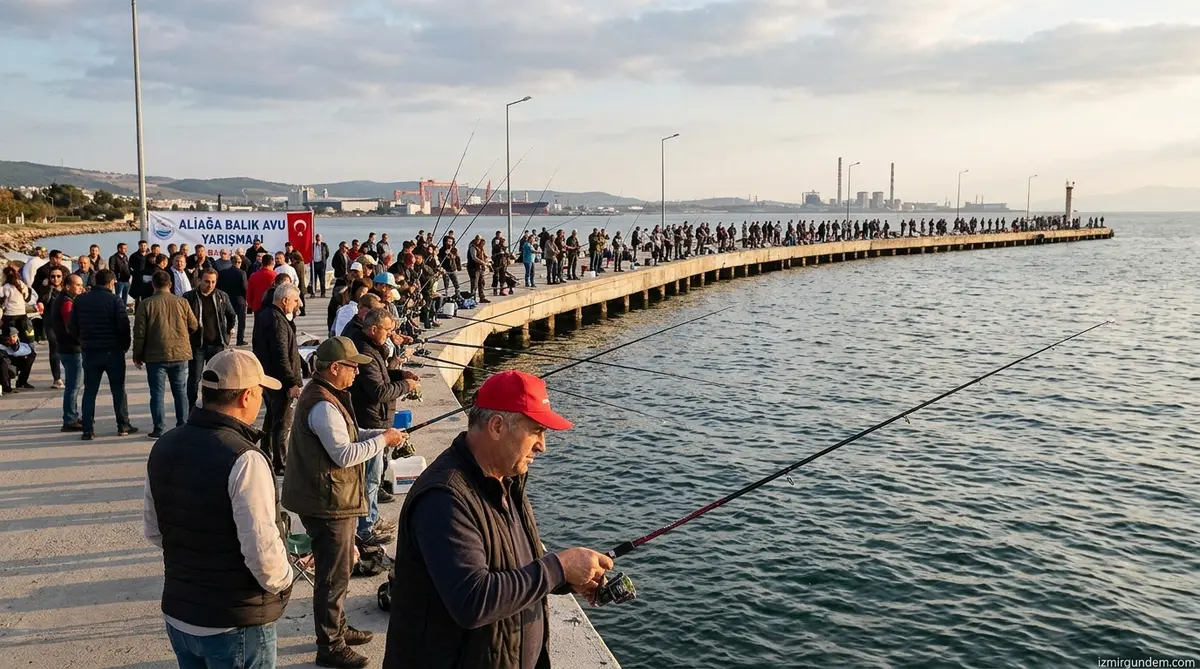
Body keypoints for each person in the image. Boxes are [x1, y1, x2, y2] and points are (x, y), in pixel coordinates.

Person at [383, 370, 613, 669]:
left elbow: (513, 561)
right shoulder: (444, 498)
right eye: (537, 431)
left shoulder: (507, 479)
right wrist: (559, 567)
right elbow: (473, 600)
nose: (543, 446)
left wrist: (568, 578)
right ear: (496, 426)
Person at [144, 348, 293, 669]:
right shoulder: (245, 458)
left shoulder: (164, 445)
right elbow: (262, 552)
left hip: (180, 613)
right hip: (233, 620)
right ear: (246, 396)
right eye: (260, 393)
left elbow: (155, 531)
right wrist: (285, 580)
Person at [282, 336, 409, 669]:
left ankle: (338, 629)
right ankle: (330, 645)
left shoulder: (327, 396)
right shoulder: (323, 404)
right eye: (353, 367)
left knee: (337, 571)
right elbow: (343, 454)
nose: (356, 373)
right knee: (332, 575)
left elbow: (348, 436)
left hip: (329, 498)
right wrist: (383, 439)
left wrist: (381, 433)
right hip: (326, 502)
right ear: (335, 368)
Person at [347, 308, 420, 546]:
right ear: (374, 328)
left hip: (377, 419)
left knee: (375, 477)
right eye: (387, 330)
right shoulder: (365, 351)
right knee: (370, 479)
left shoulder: (372, 347)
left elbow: (382, 376)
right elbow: (378, 391)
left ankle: (372, 518)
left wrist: (400, 373)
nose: (390, 335)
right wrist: (406, 385)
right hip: (370, 422)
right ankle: (365, 528)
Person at [68, 269, 137, 440]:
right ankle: (123, 425)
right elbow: (123, 326)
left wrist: (82, 340)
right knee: (118, 390)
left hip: (90, 351)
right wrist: (125, 346)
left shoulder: (80, 300)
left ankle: (87, 429)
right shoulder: (115, 300)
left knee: (90, 391)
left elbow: (72, 325)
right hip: (113, 351)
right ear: (112, 282)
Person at [133, 270, 197, 439]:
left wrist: (137, 354)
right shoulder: (182, 302)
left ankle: (159, 428)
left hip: (155, 355)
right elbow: (194, 324)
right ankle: (183, 425)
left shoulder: (146, 304)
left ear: (153, 285)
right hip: (180, 353)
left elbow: (139, 333)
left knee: (157, 393)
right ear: (170, 285)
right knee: (180, 392)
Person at [252, 284, 302, 475]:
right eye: (295, 300)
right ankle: (280, 463)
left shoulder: (267, 315)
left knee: (272, 418)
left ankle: (267, 454)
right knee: (282, 422)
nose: (298, 304)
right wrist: (291, 382)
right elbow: (281, 354)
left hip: (270, 378)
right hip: (279, 381)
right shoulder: (276, 320)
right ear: (285, 300)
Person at [184, 268, 237, 411]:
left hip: (217, 344)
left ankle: (214, 407)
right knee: (194, 378)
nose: (210, 284)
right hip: (197, 345)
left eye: (213, 281)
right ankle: (192, 407)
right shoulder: (189, 297)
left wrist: (227, 333)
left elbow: (231, 315)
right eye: (207, 281)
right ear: (199, 280)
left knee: (216, 378)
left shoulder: (221, 296)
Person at [49, 274, 85, 430]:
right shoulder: (66, 303)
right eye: (77, 285)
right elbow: (71, 327)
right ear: (68, 286)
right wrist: (83, 341)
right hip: (71, 349)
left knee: (74, 385)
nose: (81, 288)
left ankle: (73, 416)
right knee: (73, 386)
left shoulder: (64, 300)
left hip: (67, 347)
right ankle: (69, 419)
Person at [38, 265, 65, 388]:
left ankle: (71, 375)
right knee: (54, 348)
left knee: (68, 349)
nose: (56, 279)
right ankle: (57, 378)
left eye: (58, 276)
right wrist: (49, 288)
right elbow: (44, 300)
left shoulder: (66, 289)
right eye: (53, 276)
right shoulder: (45, 288)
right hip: (50, 322)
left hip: (65, 323)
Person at [218, 254, 250, 346]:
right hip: (239, 300)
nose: (238, 264)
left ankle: (225, 338)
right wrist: (246, 299)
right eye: (239, 262)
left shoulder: (223, 273)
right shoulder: (242, 273)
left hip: (226, 299)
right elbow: (245, 288)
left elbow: (219, 287)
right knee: (241, 321)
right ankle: (240, 340)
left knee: (227, 320)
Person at [0, 266, 32, 344]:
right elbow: (27, 298)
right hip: (22, 315)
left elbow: (2, 301)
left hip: (9, 316)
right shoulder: (21, 284)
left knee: (8, 340)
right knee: (24, 339)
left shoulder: (5, 287)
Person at [0, 326, 36, 393]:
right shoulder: (2, 346)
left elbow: (22, 351)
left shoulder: (21, 344)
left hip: (15, 359)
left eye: (14, 336)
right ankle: (6, 386)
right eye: (9, 337)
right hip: (5, 363)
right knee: (5, 364)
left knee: (31, 356)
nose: (12, 339)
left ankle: (22, 382)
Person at [313, 234, 330, 298]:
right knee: (314, 279)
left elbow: (327, 254)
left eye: (319, 237)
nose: (318, 238)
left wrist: (323, 260)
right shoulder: (313, 245)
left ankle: (323, 293)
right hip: (314, 264)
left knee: (322, 279)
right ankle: (313, 292)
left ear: (321, 238)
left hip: (321, 264)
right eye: (317, 237)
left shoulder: (324, 245)